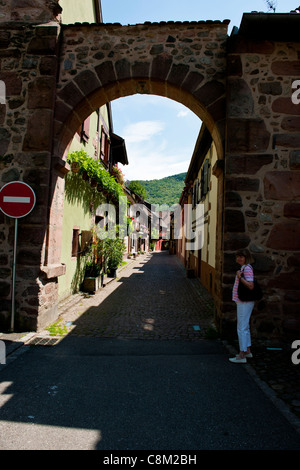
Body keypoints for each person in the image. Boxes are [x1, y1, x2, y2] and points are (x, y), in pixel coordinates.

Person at [229, 249, 255, 364]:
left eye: (242, 257)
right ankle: (247, 350)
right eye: (238, 256)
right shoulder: (244, 268)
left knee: (241, 328)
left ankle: (242, 354)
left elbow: (250, 286)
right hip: (242, 301)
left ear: (246, 257)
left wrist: (240, 278)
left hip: (244, 302)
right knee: (245, 327)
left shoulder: (247, 269)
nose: (239, 259)